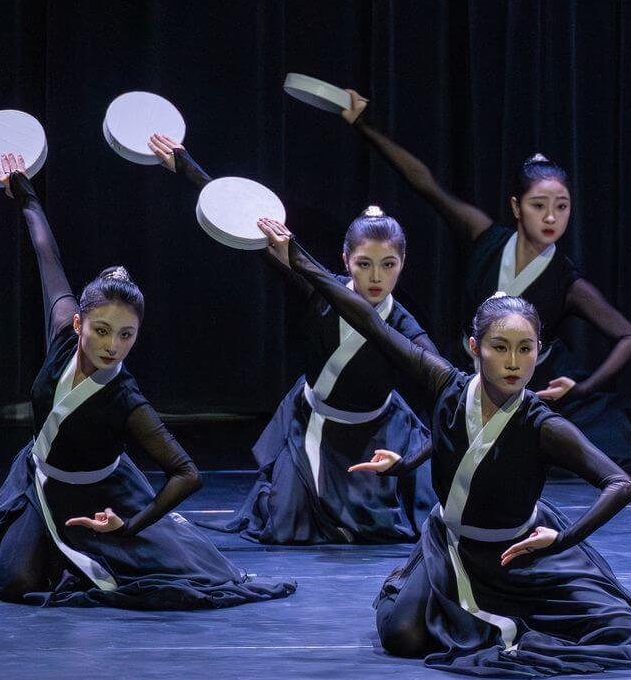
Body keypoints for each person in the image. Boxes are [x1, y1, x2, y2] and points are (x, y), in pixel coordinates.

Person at [260, 216, 631, 678]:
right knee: (402, 636)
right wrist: (297, 258)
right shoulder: (446, 385)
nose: (513, 362)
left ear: (541, 352)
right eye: (500, 348)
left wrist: (561, 540)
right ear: (475, 348)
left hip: (519, 555)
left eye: (525, 349)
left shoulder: (542, 424)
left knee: (619, 632)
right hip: (453, 545)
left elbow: (621, 484)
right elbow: (366, 319)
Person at [0, 154, 296, 609]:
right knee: (15, 582)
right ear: (79, 323)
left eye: (125, 335)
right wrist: (25, 192)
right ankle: (1, 545)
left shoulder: (126, 399)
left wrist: (130, 525)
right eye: (101, 330)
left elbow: (187, 474)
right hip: (38, 479)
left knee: (58, 583)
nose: (112, 345)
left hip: (98, 495)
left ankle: (69, 552)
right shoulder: (62, 333)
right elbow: (46, 254)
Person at [338, 86, 631, 469]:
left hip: (524, 384)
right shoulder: (484, 236)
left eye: (562, 207)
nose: (551, 217)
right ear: (517, 207)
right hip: (468, 371)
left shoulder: (566, 281)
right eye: (539, 205)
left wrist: (582, 388)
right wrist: (365, 126)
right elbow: (424, 182)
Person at [148, 135, 444, 543]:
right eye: (364, 264)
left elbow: (450, 394)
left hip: (378, 433)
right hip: (313, 422)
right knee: (286, 524)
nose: (376, 277)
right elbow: (247, 227)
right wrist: (186, 167)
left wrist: (409, 461)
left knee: (382, 528)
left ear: (403, 263)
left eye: (388, 265)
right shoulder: (318, 288)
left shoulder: (406, 326)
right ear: (345, 260)